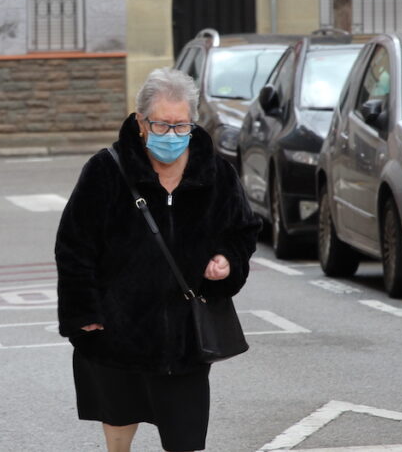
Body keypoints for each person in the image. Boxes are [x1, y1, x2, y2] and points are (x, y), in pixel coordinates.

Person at [55, 67, 260, 452]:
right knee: (119, 433)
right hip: (118, 334)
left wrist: (227, 262)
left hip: (185, 338)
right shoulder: (106, 170)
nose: (172, 136)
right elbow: (73, 246)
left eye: (182, 127)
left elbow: (243, 231)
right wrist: (84, 315)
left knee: (185, 440)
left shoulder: (215, 173)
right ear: (140, 123)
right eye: (162, 126)